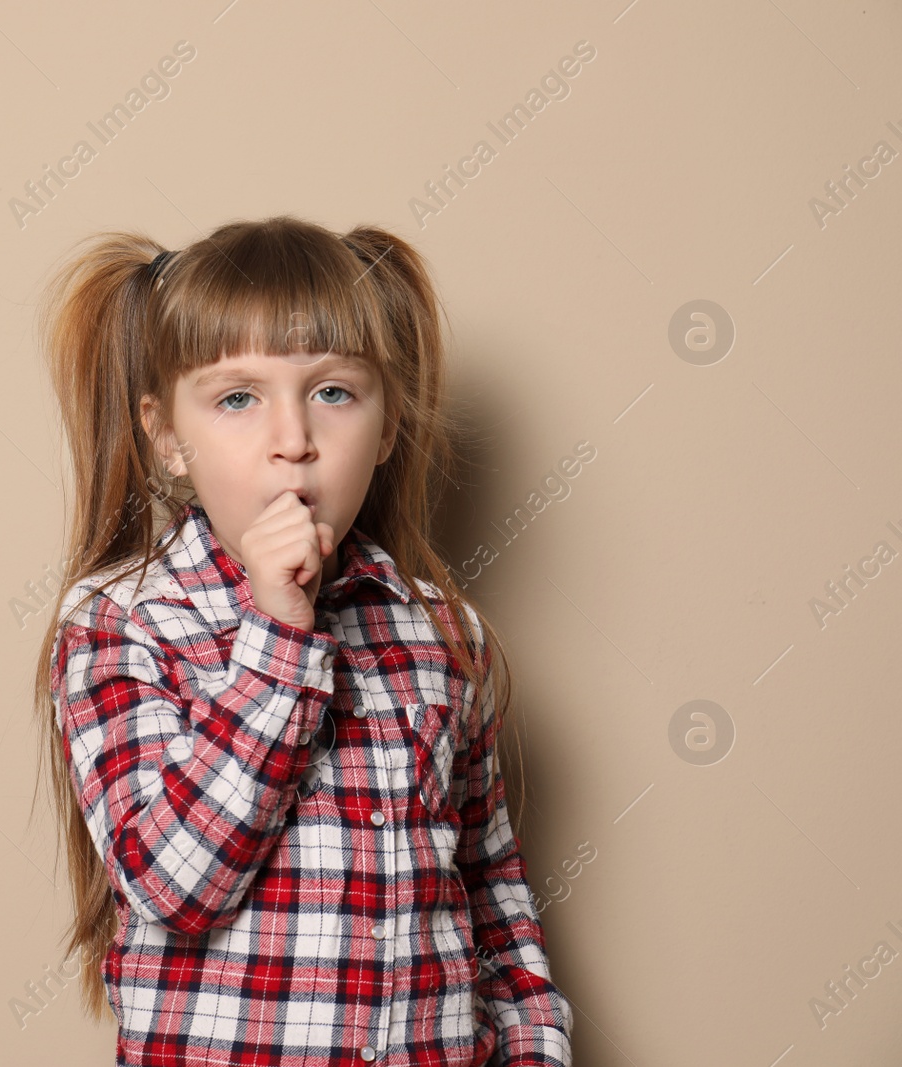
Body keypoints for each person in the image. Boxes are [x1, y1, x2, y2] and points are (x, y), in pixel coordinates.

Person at [30, 216, 572, 1066]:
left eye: (333, 392)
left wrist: (536, 1045)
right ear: (169, 437)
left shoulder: (439, 632)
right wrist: (279, 633)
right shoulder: (121, 623)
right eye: (237, 397)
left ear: (388, 425)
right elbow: (175, 885)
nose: (294, 440)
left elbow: (492, 892)